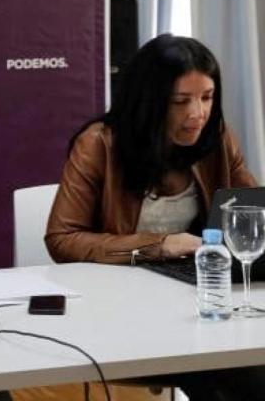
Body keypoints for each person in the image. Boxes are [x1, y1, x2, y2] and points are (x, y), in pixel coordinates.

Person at [46, 33, 262, 401]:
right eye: (181, 101)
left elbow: (252, 212)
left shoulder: (216, 139)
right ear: (150, 102)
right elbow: (62, 239)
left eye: (207, 98)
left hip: (199, 300)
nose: (198, 113)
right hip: (121, 308)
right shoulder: (99, 144)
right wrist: (158, 245)